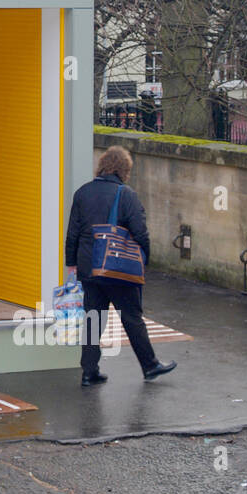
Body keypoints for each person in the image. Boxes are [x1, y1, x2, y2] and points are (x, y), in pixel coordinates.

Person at [65, 145, 175, 387]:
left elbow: (72, 233)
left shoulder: (83, 192)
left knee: (93, 318)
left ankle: (89, 372)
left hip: (88, 269)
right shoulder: (126, 195)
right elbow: (140, 232)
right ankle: (149, 365)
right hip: (117, 268)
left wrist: (71, 264)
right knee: (132, 317)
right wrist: (145, 257)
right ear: (124, 170)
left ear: (102, 165)